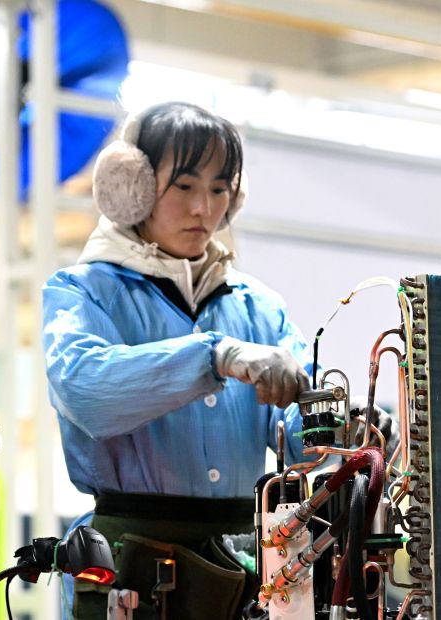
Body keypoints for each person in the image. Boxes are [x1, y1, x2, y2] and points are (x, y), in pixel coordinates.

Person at [42, 102, 315, 619]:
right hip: (133, 563)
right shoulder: (84, 292)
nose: (203, 208)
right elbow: (85, 389)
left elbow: (302, 435)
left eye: (220, 189)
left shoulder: (259, 308)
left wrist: (345, 424)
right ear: (134, 187)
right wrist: (213, 356)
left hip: (242, 566)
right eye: (185, 186)